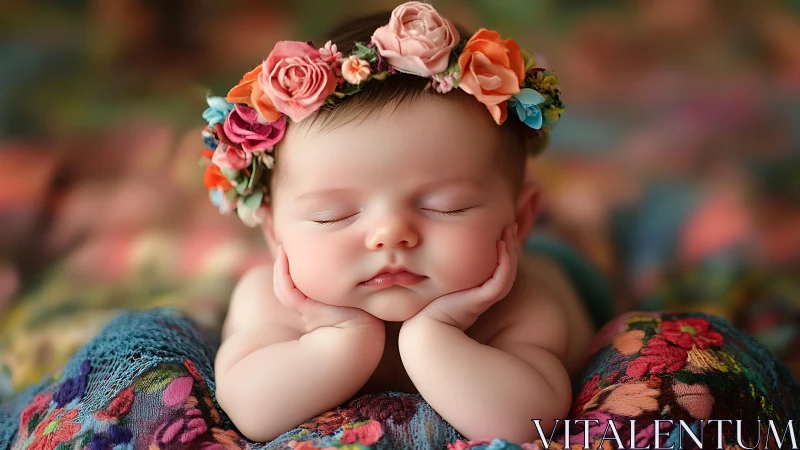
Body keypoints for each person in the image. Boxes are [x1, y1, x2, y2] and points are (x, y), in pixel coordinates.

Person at [205, 1, 608, 443]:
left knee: (591, 247)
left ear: (520, 218)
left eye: (447, 207)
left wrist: (433, 336)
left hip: (562, 264)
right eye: (333, 215)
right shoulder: (268, 301)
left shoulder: (523, 302)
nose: (391, 234)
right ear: (273, 232)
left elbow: (530, 423)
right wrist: (342, 336)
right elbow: (251, 412)